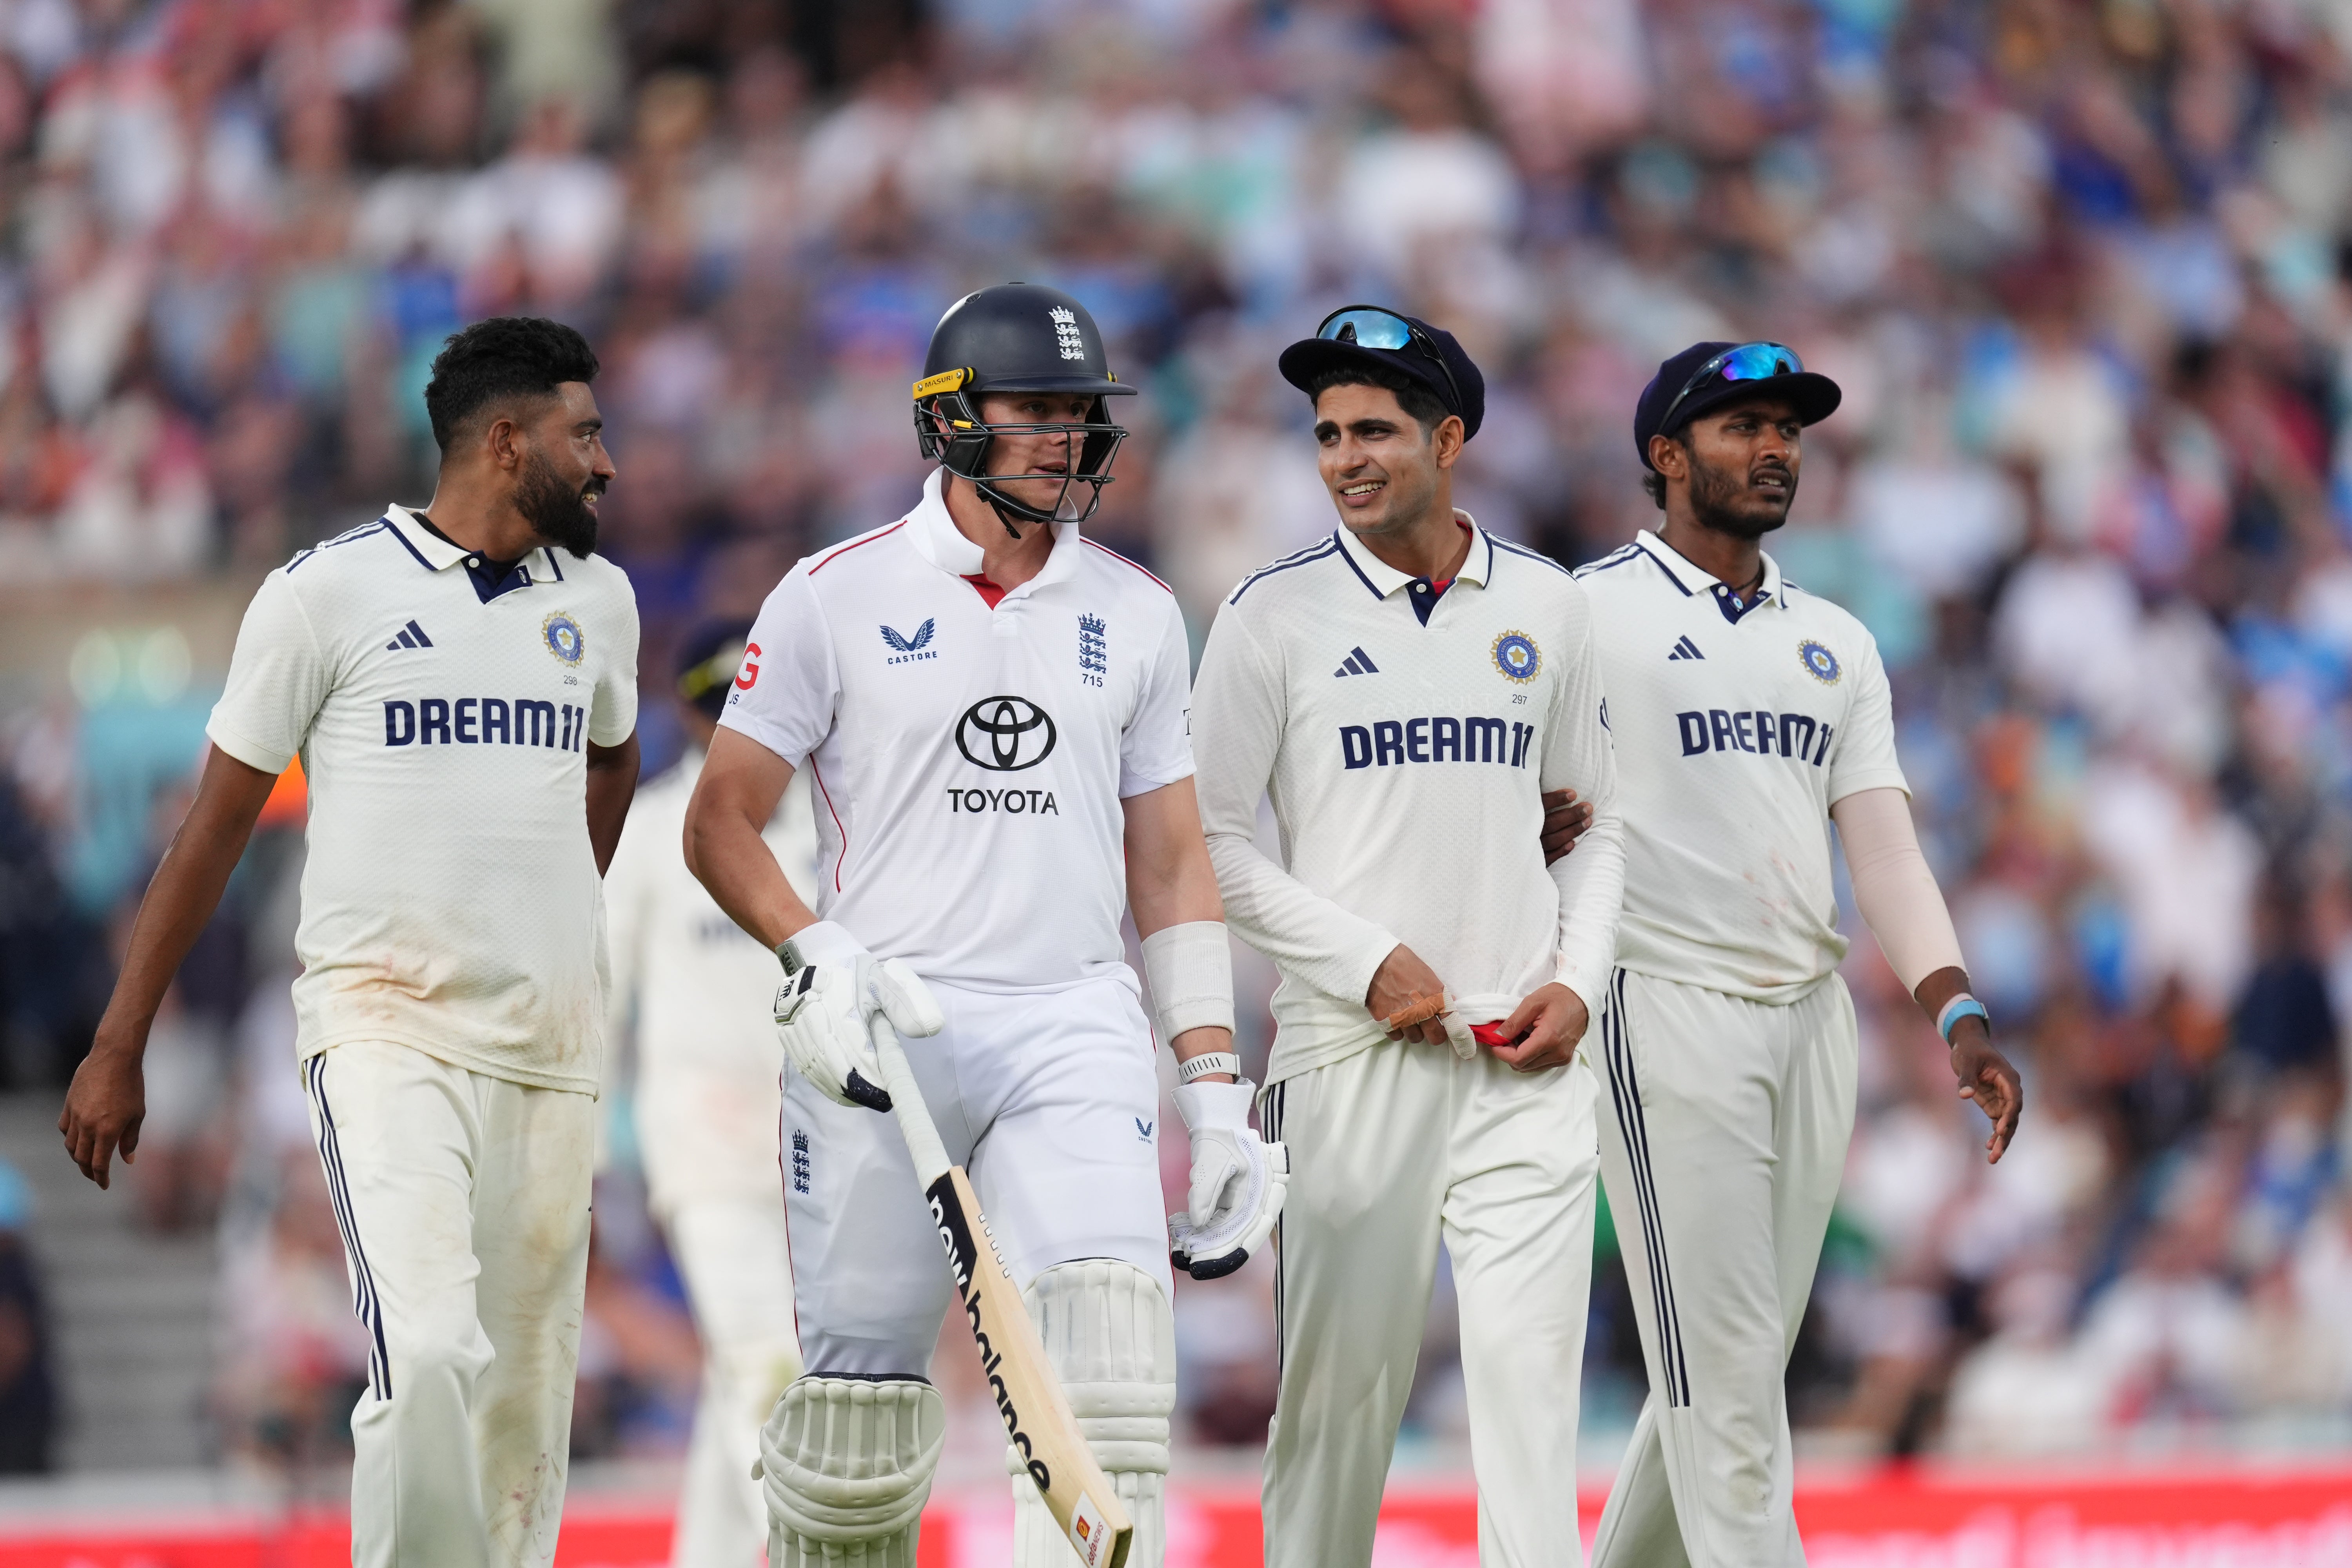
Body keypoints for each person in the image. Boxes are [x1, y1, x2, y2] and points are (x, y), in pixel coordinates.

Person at [680, 282, 1286, 1568]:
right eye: (1037, 412)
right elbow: (721, 821)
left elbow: (1171, 865)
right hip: (881, 1032)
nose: (1068, 439)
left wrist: (1217, 1093)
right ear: (950, 423)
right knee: (853, 1440)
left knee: (1112, 1397)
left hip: (1074, 1019)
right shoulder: (827, 596)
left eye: (1081, 413)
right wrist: (816, 951)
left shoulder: (1133, 611)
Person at [58, 317, 639, 1568]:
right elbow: (210, 833)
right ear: (504, 441)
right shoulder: (325, 593)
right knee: (428, 1351)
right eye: (584, 434)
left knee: (526, 1423)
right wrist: (120, 1042)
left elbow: (615, 755)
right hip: (388, 1027)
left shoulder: (600, 604)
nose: (606, 464)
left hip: (551, 1045)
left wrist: (554, 914)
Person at [1189, 306, 1627, 1568]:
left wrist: (1578, 985)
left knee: (1531, 1410)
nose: (1344, 457)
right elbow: (1207, 849)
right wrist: (1360, 958)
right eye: (1326, 434)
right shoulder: (1269, 616)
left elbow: (1598, 826)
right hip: (1348, 1064)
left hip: (1522, 1063)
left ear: (1449, 438)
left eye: (1374, 429)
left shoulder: (1548, 604)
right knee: (1338, 1415)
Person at [1577, 341, 2024, 1567]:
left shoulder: (1834, 638)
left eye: (1787, 429)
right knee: (1726, 1394)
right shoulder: (1581, 612)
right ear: (1665, 456)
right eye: (1740, 428)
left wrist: (1956, 1012)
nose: (1775, 449)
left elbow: (1882, 854)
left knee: (1724, 1375)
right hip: (1661, 1004)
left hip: (1808, 1015)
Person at [603, 620, 817, 1568]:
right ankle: (804, 1546)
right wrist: (580, 1151)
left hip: (825, 1147)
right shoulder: (652, 831)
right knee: (766, 1359)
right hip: (703, 1142)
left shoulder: (833, 824)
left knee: (754, 1371)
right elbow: (597, 994)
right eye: (718, 709)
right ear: (687, 716)